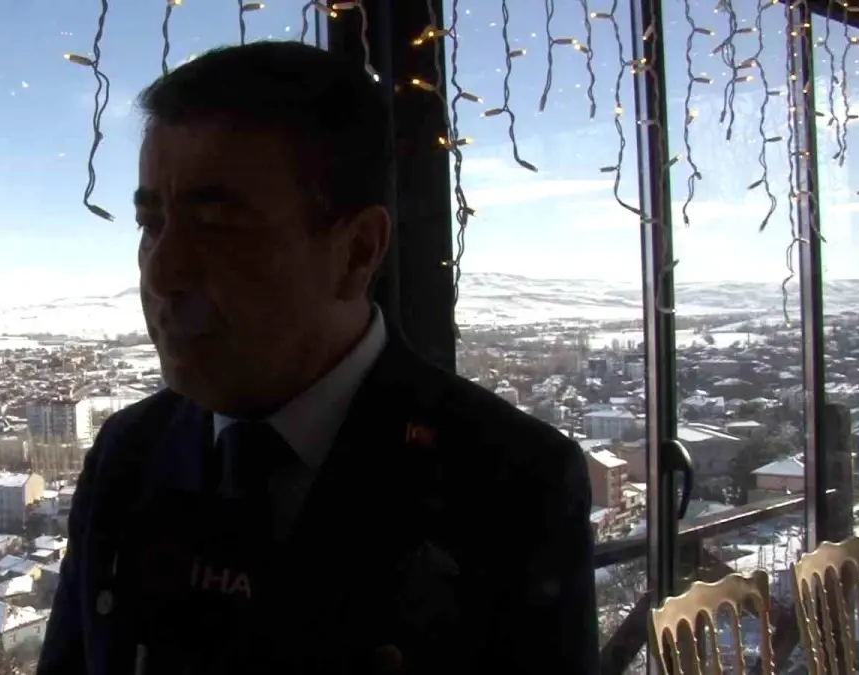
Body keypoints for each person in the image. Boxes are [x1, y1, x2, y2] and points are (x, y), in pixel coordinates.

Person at [37, 41, 597, 675]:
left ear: (357, 251)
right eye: (151, 224)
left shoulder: (510, 484)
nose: (161, 272)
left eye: (217, 226)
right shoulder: (125, 455)